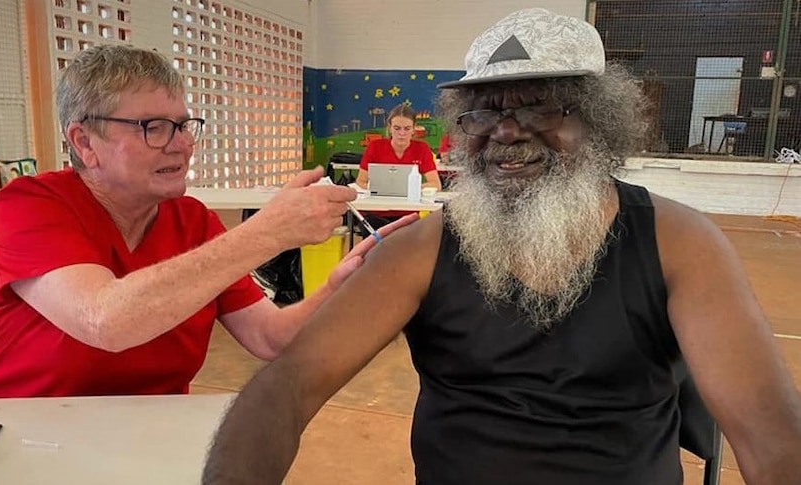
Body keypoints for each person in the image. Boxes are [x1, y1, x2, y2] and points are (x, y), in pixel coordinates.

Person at [202, 8, 801, 485]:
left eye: (539, 105)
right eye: (483, 111)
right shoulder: (421, 250)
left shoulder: (680, 244)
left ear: (599, 121)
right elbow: (288, 386)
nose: (506, 131)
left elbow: (771, 438)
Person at [0, 45, 415, 399]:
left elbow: (271, 337)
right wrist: (267, 231)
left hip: (145, 444)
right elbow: (106, 321)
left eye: (183, 125)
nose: (181, 145)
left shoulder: (192, 222)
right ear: (84, 141)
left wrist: (339, 284)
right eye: (153, 127)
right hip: (13, 438)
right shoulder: (32, 204)